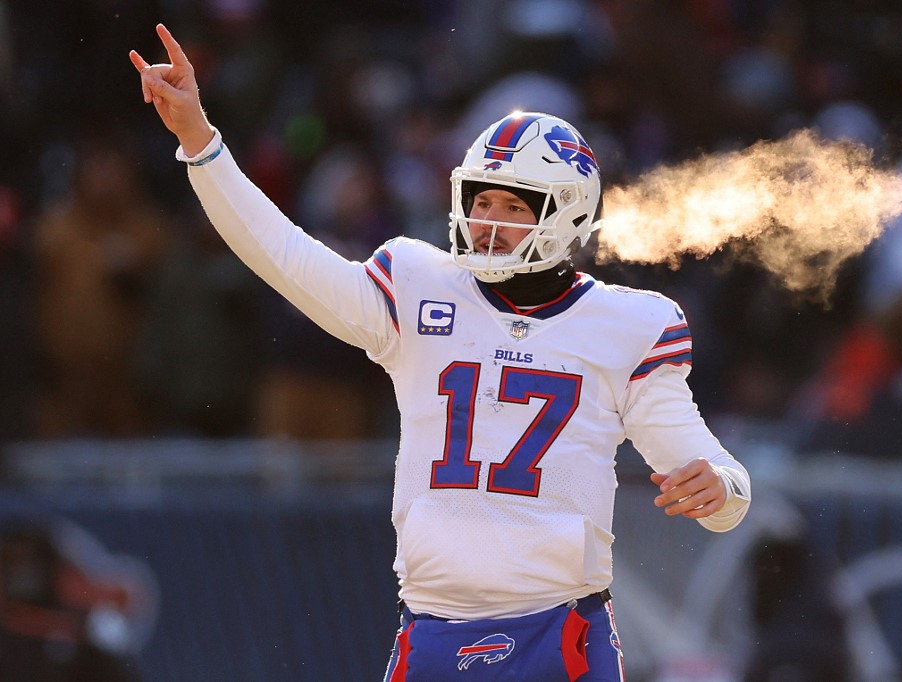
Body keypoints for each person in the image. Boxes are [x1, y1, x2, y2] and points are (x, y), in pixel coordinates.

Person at [130, 24, 751, 680]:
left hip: (559, 635)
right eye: (479, 200)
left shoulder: (627, 323)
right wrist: (199, 139)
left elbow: (701, 463)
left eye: (512, 205)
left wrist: (724, 488)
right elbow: (286, 257)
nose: (486, 221)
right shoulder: (420, 283)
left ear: (567, 212)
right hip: (431, 630)